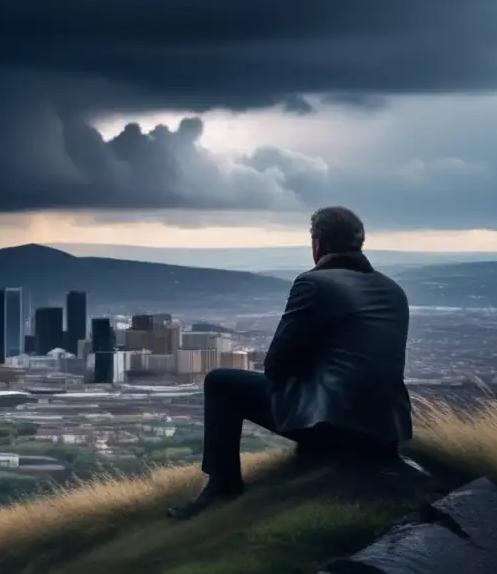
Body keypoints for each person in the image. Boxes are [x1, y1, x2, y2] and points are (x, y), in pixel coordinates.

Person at [169, 206, 413, 520]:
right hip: (386, 432)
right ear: (360, 243)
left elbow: (277, 365)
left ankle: (224, 485)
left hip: (336, 428)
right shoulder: (394, 290)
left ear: (317, 243)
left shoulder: (314, 283)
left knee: (220, 383)